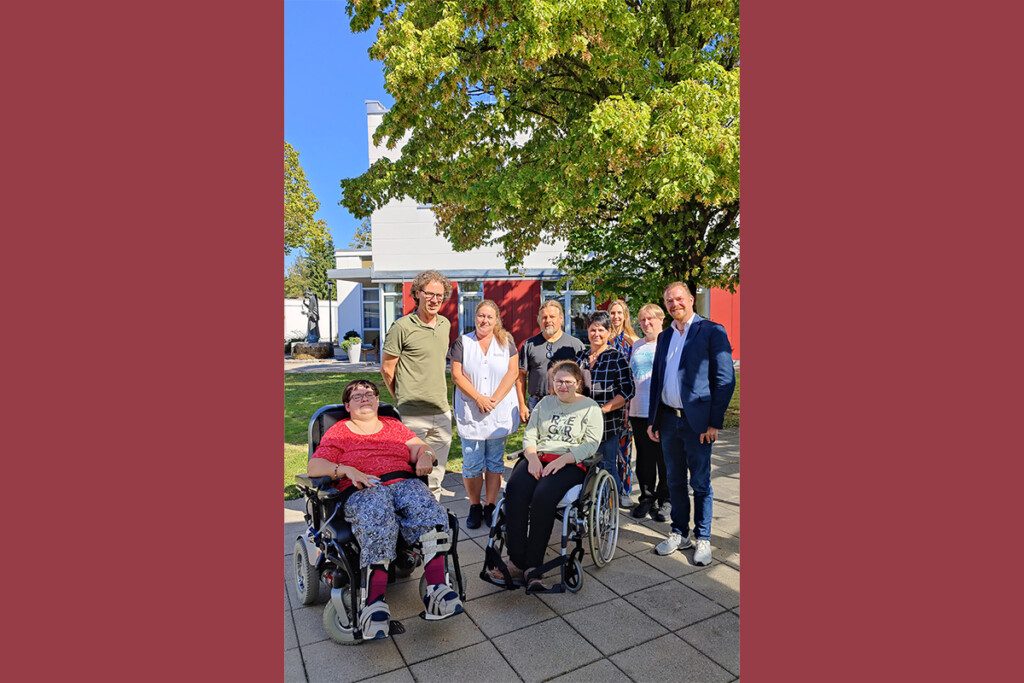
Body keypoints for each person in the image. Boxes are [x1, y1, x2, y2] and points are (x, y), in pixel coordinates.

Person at [306, 380, 464, 639]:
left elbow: (420, 447)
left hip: (403, 482)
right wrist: (345, 470)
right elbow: (314, 467)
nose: (365, 398)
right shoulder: (338, 431)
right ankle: (373, 603)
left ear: (378, 401)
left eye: (369, 394)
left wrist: (426, 455)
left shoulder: (394, 425)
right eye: (357, 396)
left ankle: (437, 590)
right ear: (347, 406)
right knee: (378, 520)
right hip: (365, 487)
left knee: (431, 514)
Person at [489, 360, 603, 591]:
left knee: (543, 496)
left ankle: (533, 567)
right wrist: (531, 458)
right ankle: (516, 562)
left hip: (570, 462)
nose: (562, 386)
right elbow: (530, 435)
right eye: (558, 381)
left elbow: (591, 443)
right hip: (538, 457)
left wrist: (563, 460)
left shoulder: (590, 407)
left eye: (568, 382)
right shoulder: (544, 403)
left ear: (578, 383)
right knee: (515, 490)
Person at [647, 282, 736, 566]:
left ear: (690, 300)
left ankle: (703, 537)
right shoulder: (665, 336)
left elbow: (725, 380)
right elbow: (658, 380)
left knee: (700, 482)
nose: (674, 304)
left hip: (698, 423)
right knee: (674, 481)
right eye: (669, 301)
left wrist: (713, 422)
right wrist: (653, 419)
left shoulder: (711, 331)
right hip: (668, 420)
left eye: (679, 299)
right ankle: (679, 532)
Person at [448, 300, 520, 529]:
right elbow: (457, 376)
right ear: (475, 317)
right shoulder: (463, 342)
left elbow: (513, 373)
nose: (484, 320)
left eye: (489, 317)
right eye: (481, 315)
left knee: (494, 462)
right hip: (472, 410)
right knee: (471, 463)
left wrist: (493, 400)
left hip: (498, 411)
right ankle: (474, 505)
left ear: (496, 319)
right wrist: (479, 398)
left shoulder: (506, 342)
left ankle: (490, 505)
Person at [381, 270, 454, 494]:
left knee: (436, 478)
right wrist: (402, 397)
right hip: (411, 416)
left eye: (439, 295)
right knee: (411, 478)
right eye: (429, 294)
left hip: (441, 412)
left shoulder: (445, 324)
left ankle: (434, 516)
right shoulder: (401, 327)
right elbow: (387, 368)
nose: (434, 300)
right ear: (417, 294)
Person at [575, 310, 635, 507]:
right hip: (581, 425)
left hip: (607, 424)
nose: (596, 334)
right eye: (593, 329)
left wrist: (603, 409)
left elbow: (628, 390)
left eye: (601, 330)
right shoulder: (580, 357)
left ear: (609, 332)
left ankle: (610, 508)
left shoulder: (616, 357)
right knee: (584, 466)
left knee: (607, 466)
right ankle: (589, 505)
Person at [629, 303, 670, 521]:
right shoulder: (637, 345)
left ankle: (666, 500)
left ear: (661, 319)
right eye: (643, 320)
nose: (646, 323)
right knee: (644, 458)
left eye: (650, 318)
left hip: (661, 410)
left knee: (664, 458)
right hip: (638, 410)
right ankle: (646, 498)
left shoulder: (668, 343)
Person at [516, 299, 586, 423]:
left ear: (561, 318)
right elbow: (521, 376)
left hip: (567, 402)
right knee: (536, 435)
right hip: (537, 403)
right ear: (539, 320)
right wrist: (522, 405)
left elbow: (583, 378)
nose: (548, 320)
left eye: (552, 317)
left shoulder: (575, 345)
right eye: (544, 317)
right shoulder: (529, 345)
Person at [607, 298, 640, 509]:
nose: (616, 317)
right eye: (612, 313)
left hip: (627, 401)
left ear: (625, 315)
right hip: (608, 400)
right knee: (608, 449)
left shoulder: (633, 341)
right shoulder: (605, 339)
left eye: (620, 313)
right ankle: (609, 489)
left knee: (625, 449)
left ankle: (625, 491)